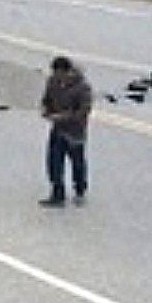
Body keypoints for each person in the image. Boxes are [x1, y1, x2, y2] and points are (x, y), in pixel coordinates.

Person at [40, 57, 93, 208]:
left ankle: (80, 190)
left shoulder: (82, 88)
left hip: (75, 132)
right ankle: (57, 193)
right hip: (58, 129)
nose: (57, 76)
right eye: (55, 73)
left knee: (77, 162)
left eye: (60, 73)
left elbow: (83, 111)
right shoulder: (52, 82)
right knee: (54, 161)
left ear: (68, 71)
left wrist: (64, 116)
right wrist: (46, 109)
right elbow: (46, 99)